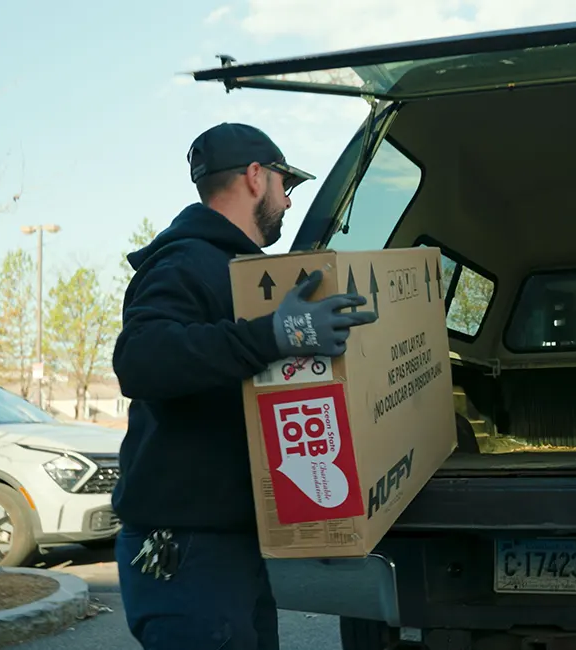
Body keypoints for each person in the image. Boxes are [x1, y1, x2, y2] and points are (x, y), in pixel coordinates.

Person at [111, 123, 378, 649]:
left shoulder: (240, 272)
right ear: (256, 177)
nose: (288, 200)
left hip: (232, 545)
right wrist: (277, 333)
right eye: (286, 185)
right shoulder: (186, 261)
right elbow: (141, 360)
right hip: (187, 550)